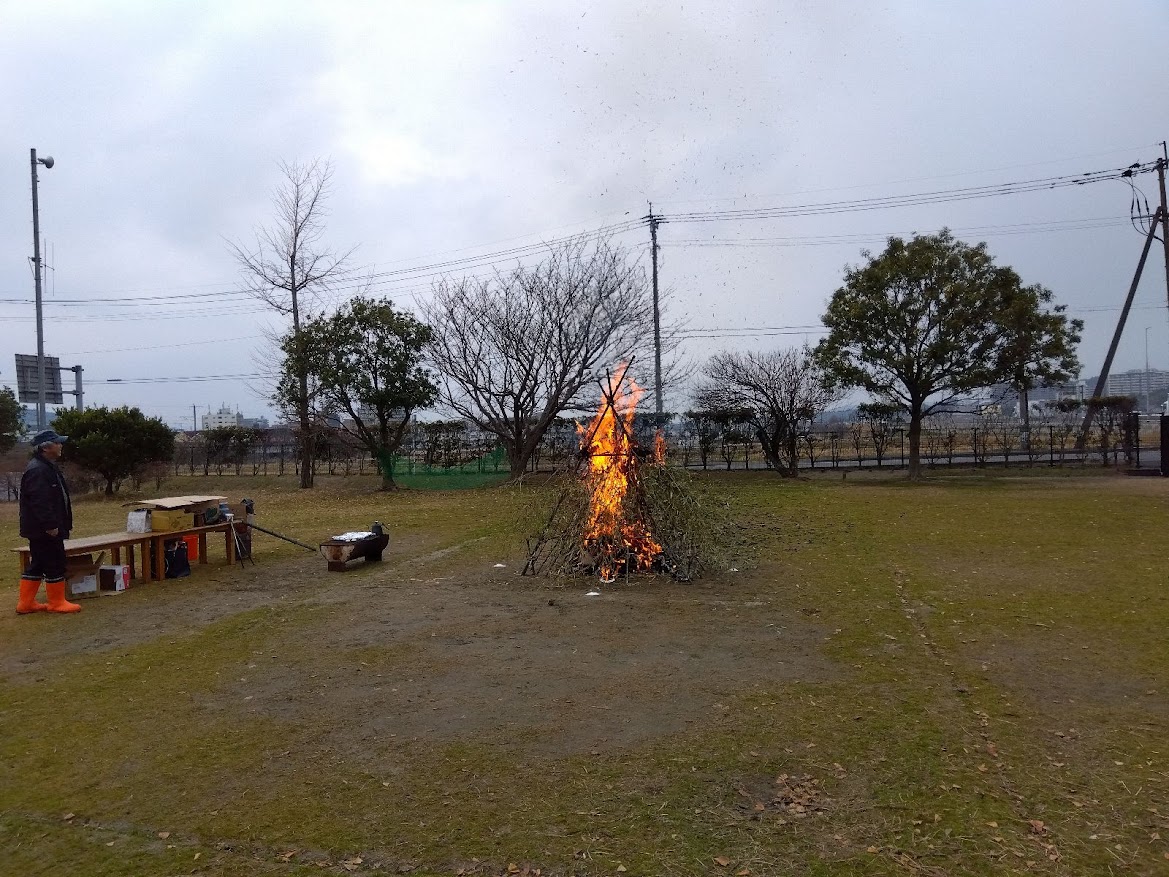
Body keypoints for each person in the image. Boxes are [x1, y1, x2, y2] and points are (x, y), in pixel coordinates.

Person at [16, 429, 80, 614]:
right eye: (57, 442)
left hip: (40, 528)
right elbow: (40, 501)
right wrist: (50, 525)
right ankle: (57, 602)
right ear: (46, 447)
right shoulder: (38, 469)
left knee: (38, 563)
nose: (61, 445)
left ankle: (26, 603)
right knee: (54, 562)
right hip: (44, 529)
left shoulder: (46, 466)